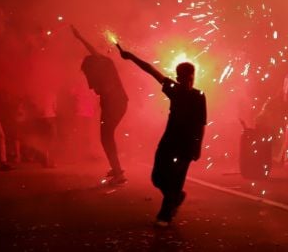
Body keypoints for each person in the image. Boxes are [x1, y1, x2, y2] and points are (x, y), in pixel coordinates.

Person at [117, 44, 206, 226]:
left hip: (186, 146)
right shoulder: (174, 89)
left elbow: (201, 123)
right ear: (178, 78)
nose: (188, 82)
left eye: (191, 78)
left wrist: (198, 146)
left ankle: (165, 215)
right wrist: (132, 57)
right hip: (168, 141)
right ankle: (175, 198)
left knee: (176, 179)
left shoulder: (199, 96)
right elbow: (151, 70)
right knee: (157, 177)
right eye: (185, 78)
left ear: (193, 77)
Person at [72, 26, 128, 185]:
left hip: (115, 104)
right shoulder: (106, 63)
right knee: (107, 136)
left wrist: (80, 38)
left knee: (106, 137)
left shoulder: (102, 69)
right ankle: (116, 168)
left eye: (85, 71)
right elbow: (94, 53)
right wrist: (80, 38)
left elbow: (94, 54)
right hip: (120, 103)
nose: (85, 75)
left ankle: (118, 173)